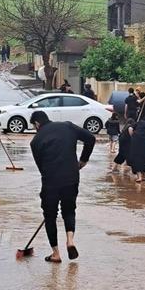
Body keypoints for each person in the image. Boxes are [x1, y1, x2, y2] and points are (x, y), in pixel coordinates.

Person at [29, 110, 95, 263]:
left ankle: (56, 253)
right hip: (71, 177)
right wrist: (83, 160)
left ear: (37, 124)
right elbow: (90, 139)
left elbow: (41, 167)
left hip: (50, 181)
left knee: (50, 216)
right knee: (69, 210)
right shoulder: (67, 126)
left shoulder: (36, 141)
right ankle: (70, 240)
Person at [128, 116, 145, 183]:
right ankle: (143, 176)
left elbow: (130, 128)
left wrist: (133, 136)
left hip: (136, 141)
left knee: (136, 158)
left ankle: (139, 177)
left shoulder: (140, 122)